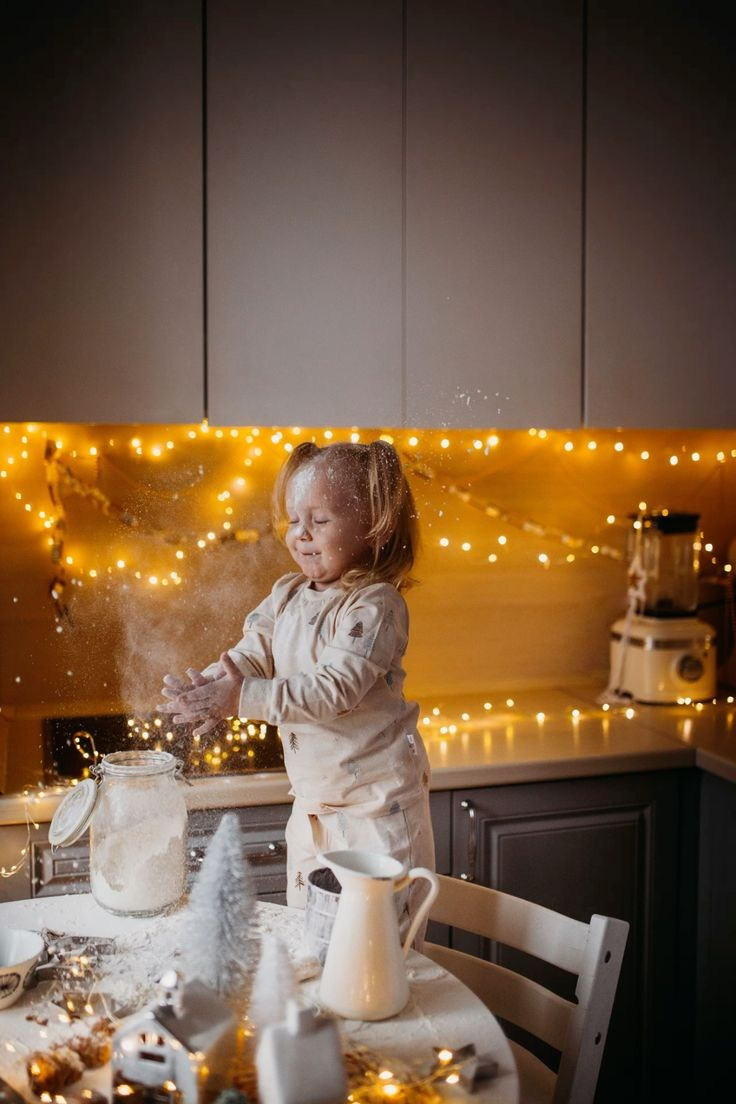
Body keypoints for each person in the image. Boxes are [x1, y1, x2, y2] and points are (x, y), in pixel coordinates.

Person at [159, 439, 435, 934]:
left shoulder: (374, 606)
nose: (302, 535)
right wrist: (210, 685)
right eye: (293, 521)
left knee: (380, 954)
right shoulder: (286, 594)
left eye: (320, 520)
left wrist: (240, 697)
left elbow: (333, 690)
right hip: (312, 812)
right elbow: (249, 654)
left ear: (376, 524)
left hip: (376, 812)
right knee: (310, 942)